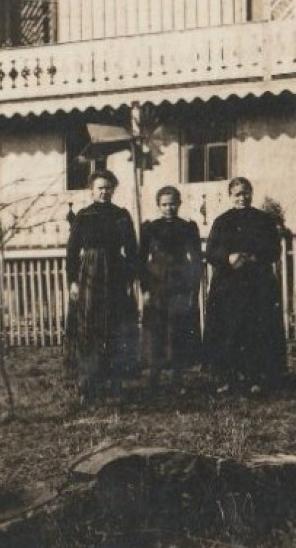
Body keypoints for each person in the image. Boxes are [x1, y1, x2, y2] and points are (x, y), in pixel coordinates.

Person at [203, 176, 288, 394]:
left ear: (251, 193)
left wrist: (254, 257)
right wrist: (228, 257)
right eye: (237, 194)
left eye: (245, 193)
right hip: (228, 285)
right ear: (230, 196)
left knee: (257, 330)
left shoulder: (264, 220)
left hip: (257, 283)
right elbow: (211, 251)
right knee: (229, 330)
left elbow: (274, 250)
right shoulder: (222, 221)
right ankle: (228, 378)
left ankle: (256, 378)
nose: (242, 198)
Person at [64, 169, 142, 400]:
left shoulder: (121, 215)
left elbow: (132, 250)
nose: (104, 192)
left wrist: (129, 279)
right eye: (100, 188)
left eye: (108, 188)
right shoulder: (84, 216)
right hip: (89, 274)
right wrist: (73, 282)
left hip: (116, 273)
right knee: (89, 327)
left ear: (113, 190)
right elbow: (71, 252)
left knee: (115, 326)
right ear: (92, 190)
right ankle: (88, 383)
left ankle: (115, 381)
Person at [139, 186, 205, 388]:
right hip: (156, 282)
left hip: (179, 282)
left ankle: (177, 375)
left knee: (178, 330)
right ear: (158, 205)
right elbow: (141, 260)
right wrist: (145, 289)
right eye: (164, 204)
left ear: (179, 204)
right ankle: (155, 374)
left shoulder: (187, 227)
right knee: (156, 330)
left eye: (172, 204)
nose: (169, 208)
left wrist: (193, 288)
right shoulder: (150, 228)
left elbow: (196, 260)